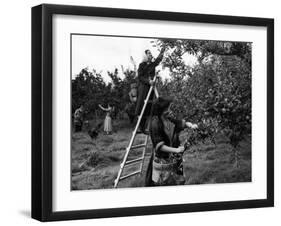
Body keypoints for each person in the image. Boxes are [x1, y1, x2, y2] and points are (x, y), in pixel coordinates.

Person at [145, 97, 198, 186]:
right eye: (168, 108)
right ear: (161, 110)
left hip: (174, 158)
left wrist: (190, 125)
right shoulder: (155, 124)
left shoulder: (168, 119)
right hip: (163, 159)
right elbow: (160, 146)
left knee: (177, 180)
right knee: (164, 183)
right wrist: (176, 150)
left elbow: (180, 123)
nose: (170, 110)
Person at [135, 47, 166, 133]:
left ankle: (144, 128)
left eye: (150, 53)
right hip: (143, 88)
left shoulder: (152, 64)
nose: (150, 54)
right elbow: (140, 77)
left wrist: (162, 51)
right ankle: (140, 127)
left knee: (148, 108)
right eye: (148, 53)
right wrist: (148, 81)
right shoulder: (142, 65)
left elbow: (158, 60)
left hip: (150, 88)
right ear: (145, 55)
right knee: (141, 107)